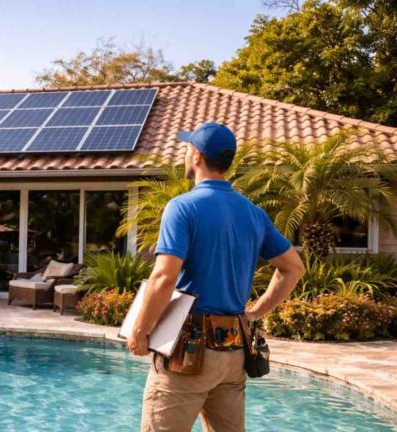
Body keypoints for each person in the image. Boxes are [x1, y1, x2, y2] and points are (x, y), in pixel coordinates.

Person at [126, 122, 305, 431]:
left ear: (196, 156)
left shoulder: (182, 207)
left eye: (186, 148)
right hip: (234, 352)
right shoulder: (253, 213)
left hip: (187, 354)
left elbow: (164, 278)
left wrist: (141, 330)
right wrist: (254, 314)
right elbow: (293, 268)